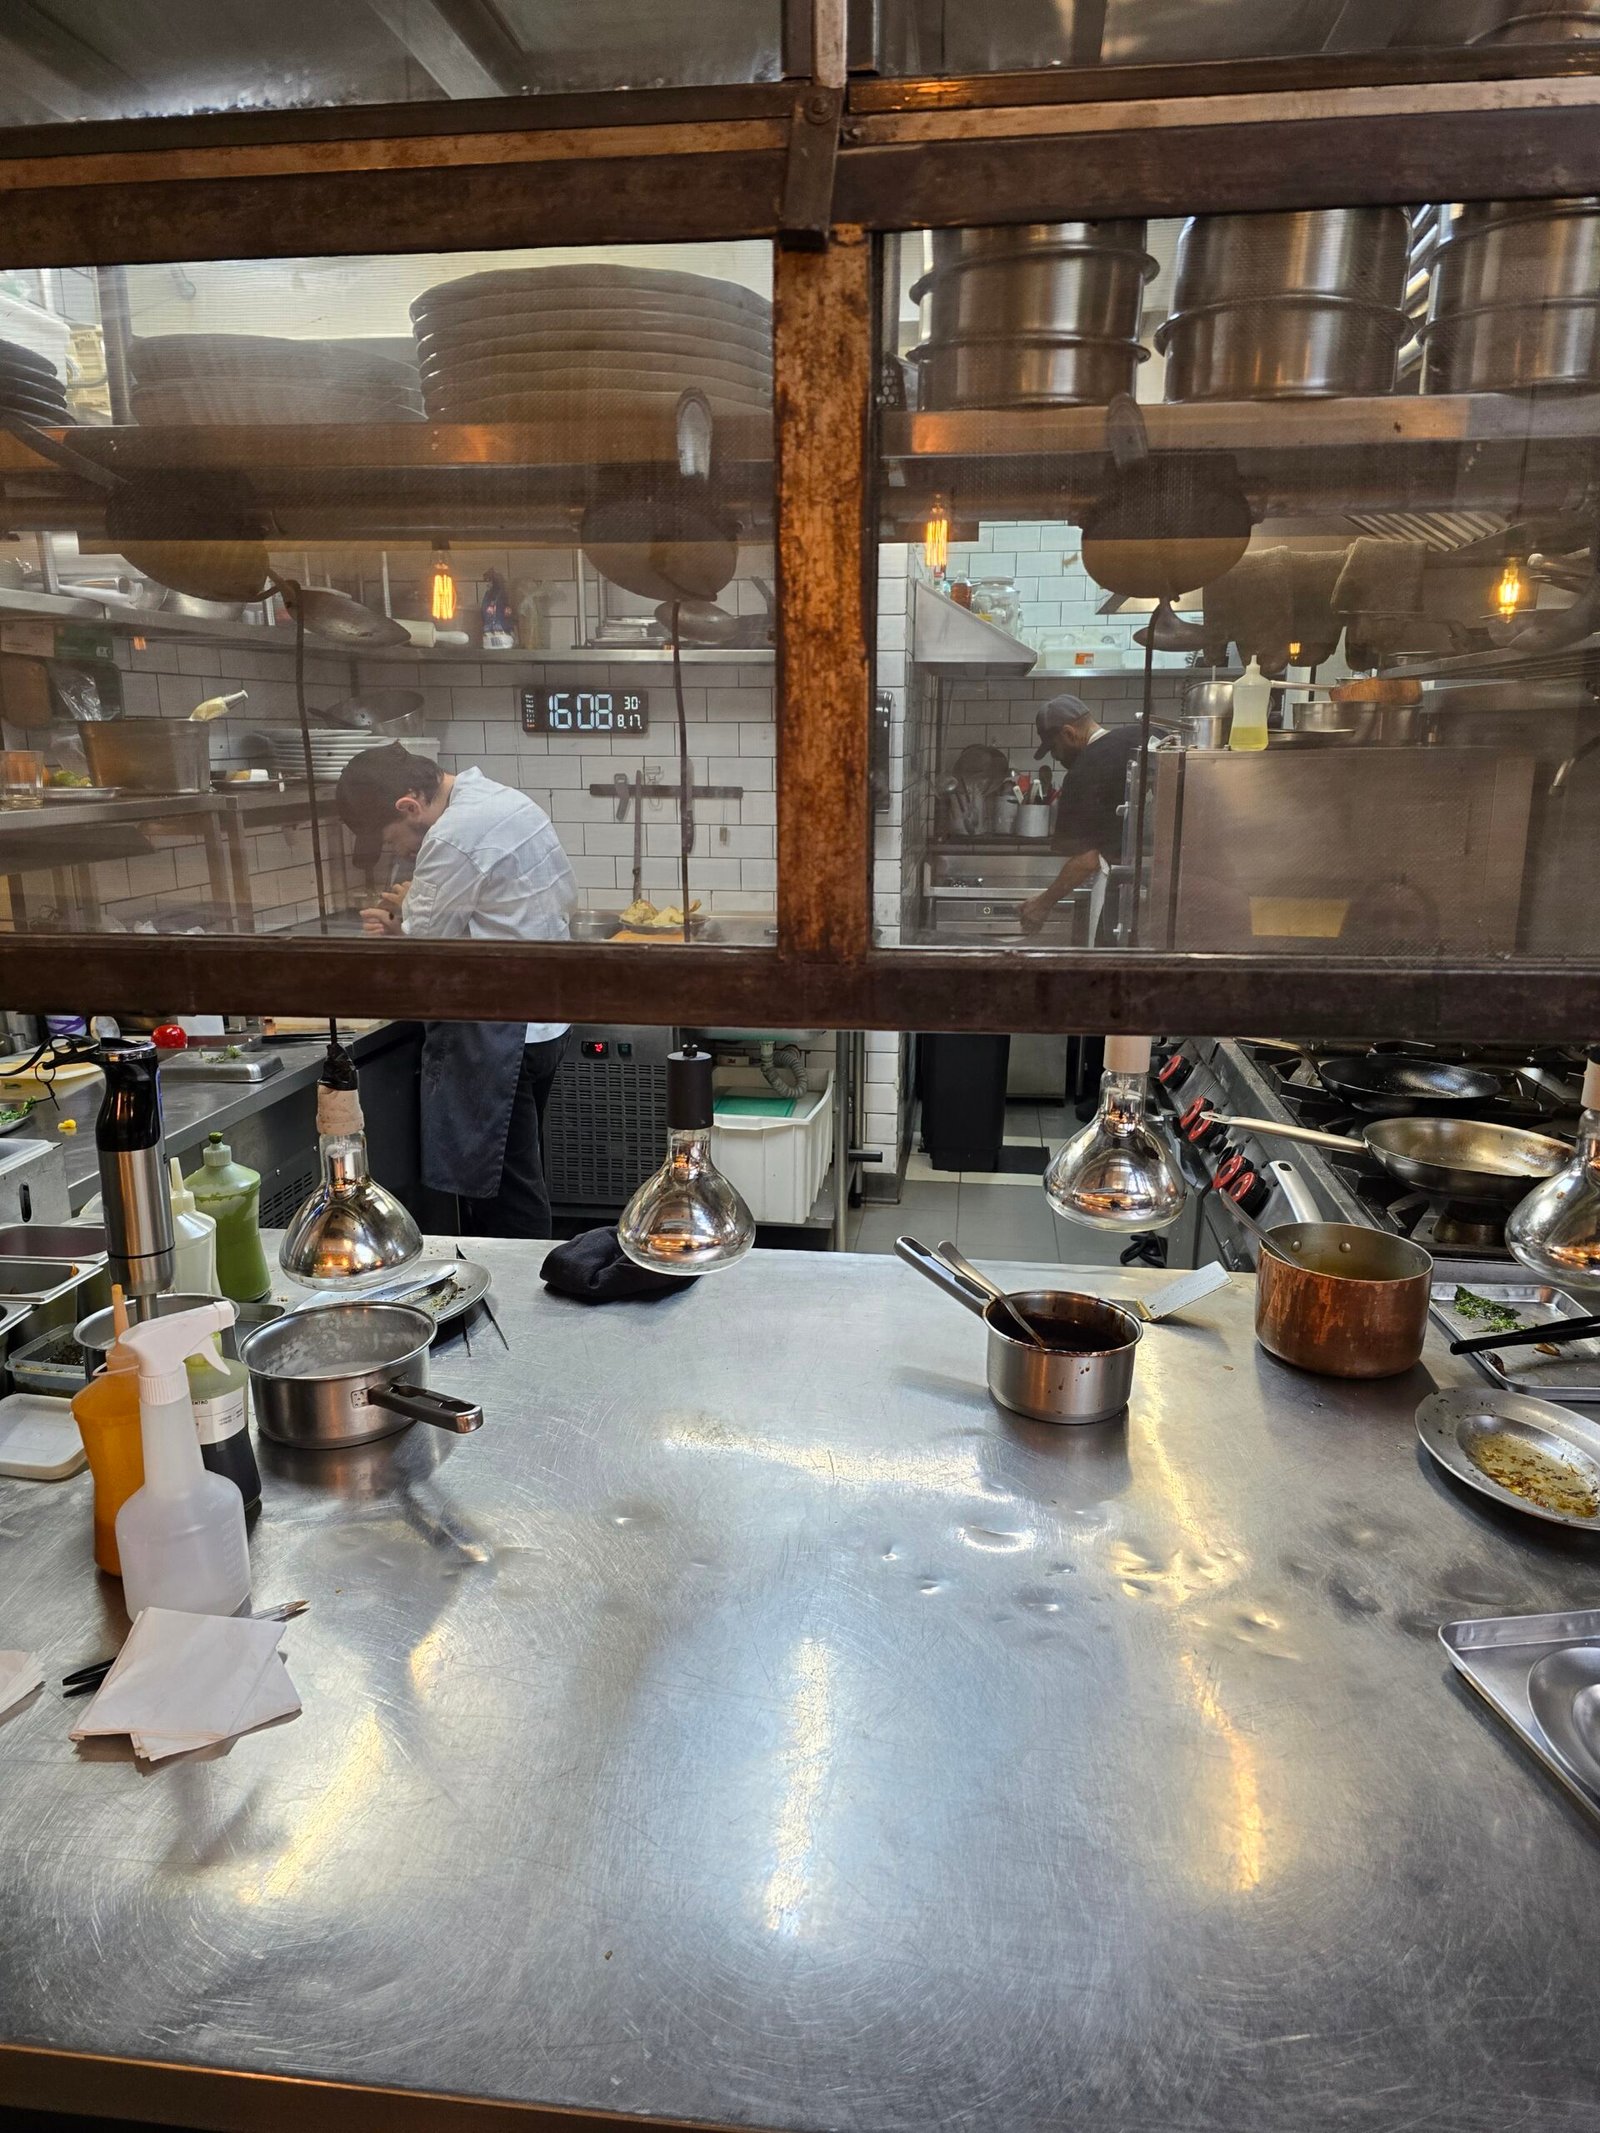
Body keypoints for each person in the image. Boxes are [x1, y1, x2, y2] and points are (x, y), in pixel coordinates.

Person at [334, 744, 577, 1239]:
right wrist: (408, 919)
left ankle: (517, 1285)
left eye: (394, 840)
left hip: (497, 1034)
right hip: (543, 1021)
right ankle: (522, 1275)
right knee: (515, 1175)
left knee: (503, 1193)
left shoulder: (453, 836)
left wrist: (405, 917)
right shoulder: (501, 799)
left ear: (409, 806)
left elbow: (427, 951)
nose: (400, 853)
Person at [1018, 695, 1144, 939]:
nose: (1056, 757)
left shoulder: (1083, 771)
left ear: (1068, 733)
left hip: (1118, 896)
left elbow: (1087, 860)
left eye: (1053, 748)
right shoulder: (1141, 736)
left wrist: (1043, 903)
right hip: (1167, 886)